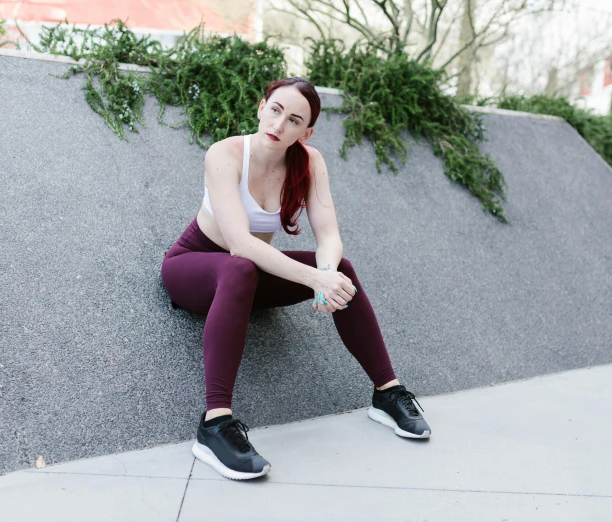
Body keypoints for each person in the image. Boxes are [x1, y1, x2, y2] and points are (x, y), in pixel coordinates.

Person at [161, 77, 431, 481]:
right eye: (275, 110)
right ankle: (215, 424)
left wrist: (326, 274)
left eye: (294, 120)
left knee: (341, 270)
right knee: (241, 266)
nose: (279, 124)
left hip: (250, 275)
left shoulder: (309, 162)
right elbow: (239, 243)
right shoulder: (226, 154)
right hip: (193, 268)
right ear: (260, 106)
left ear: (307, 131)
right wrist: (314, 280)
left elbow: (329, 235)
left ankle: (387, 392)